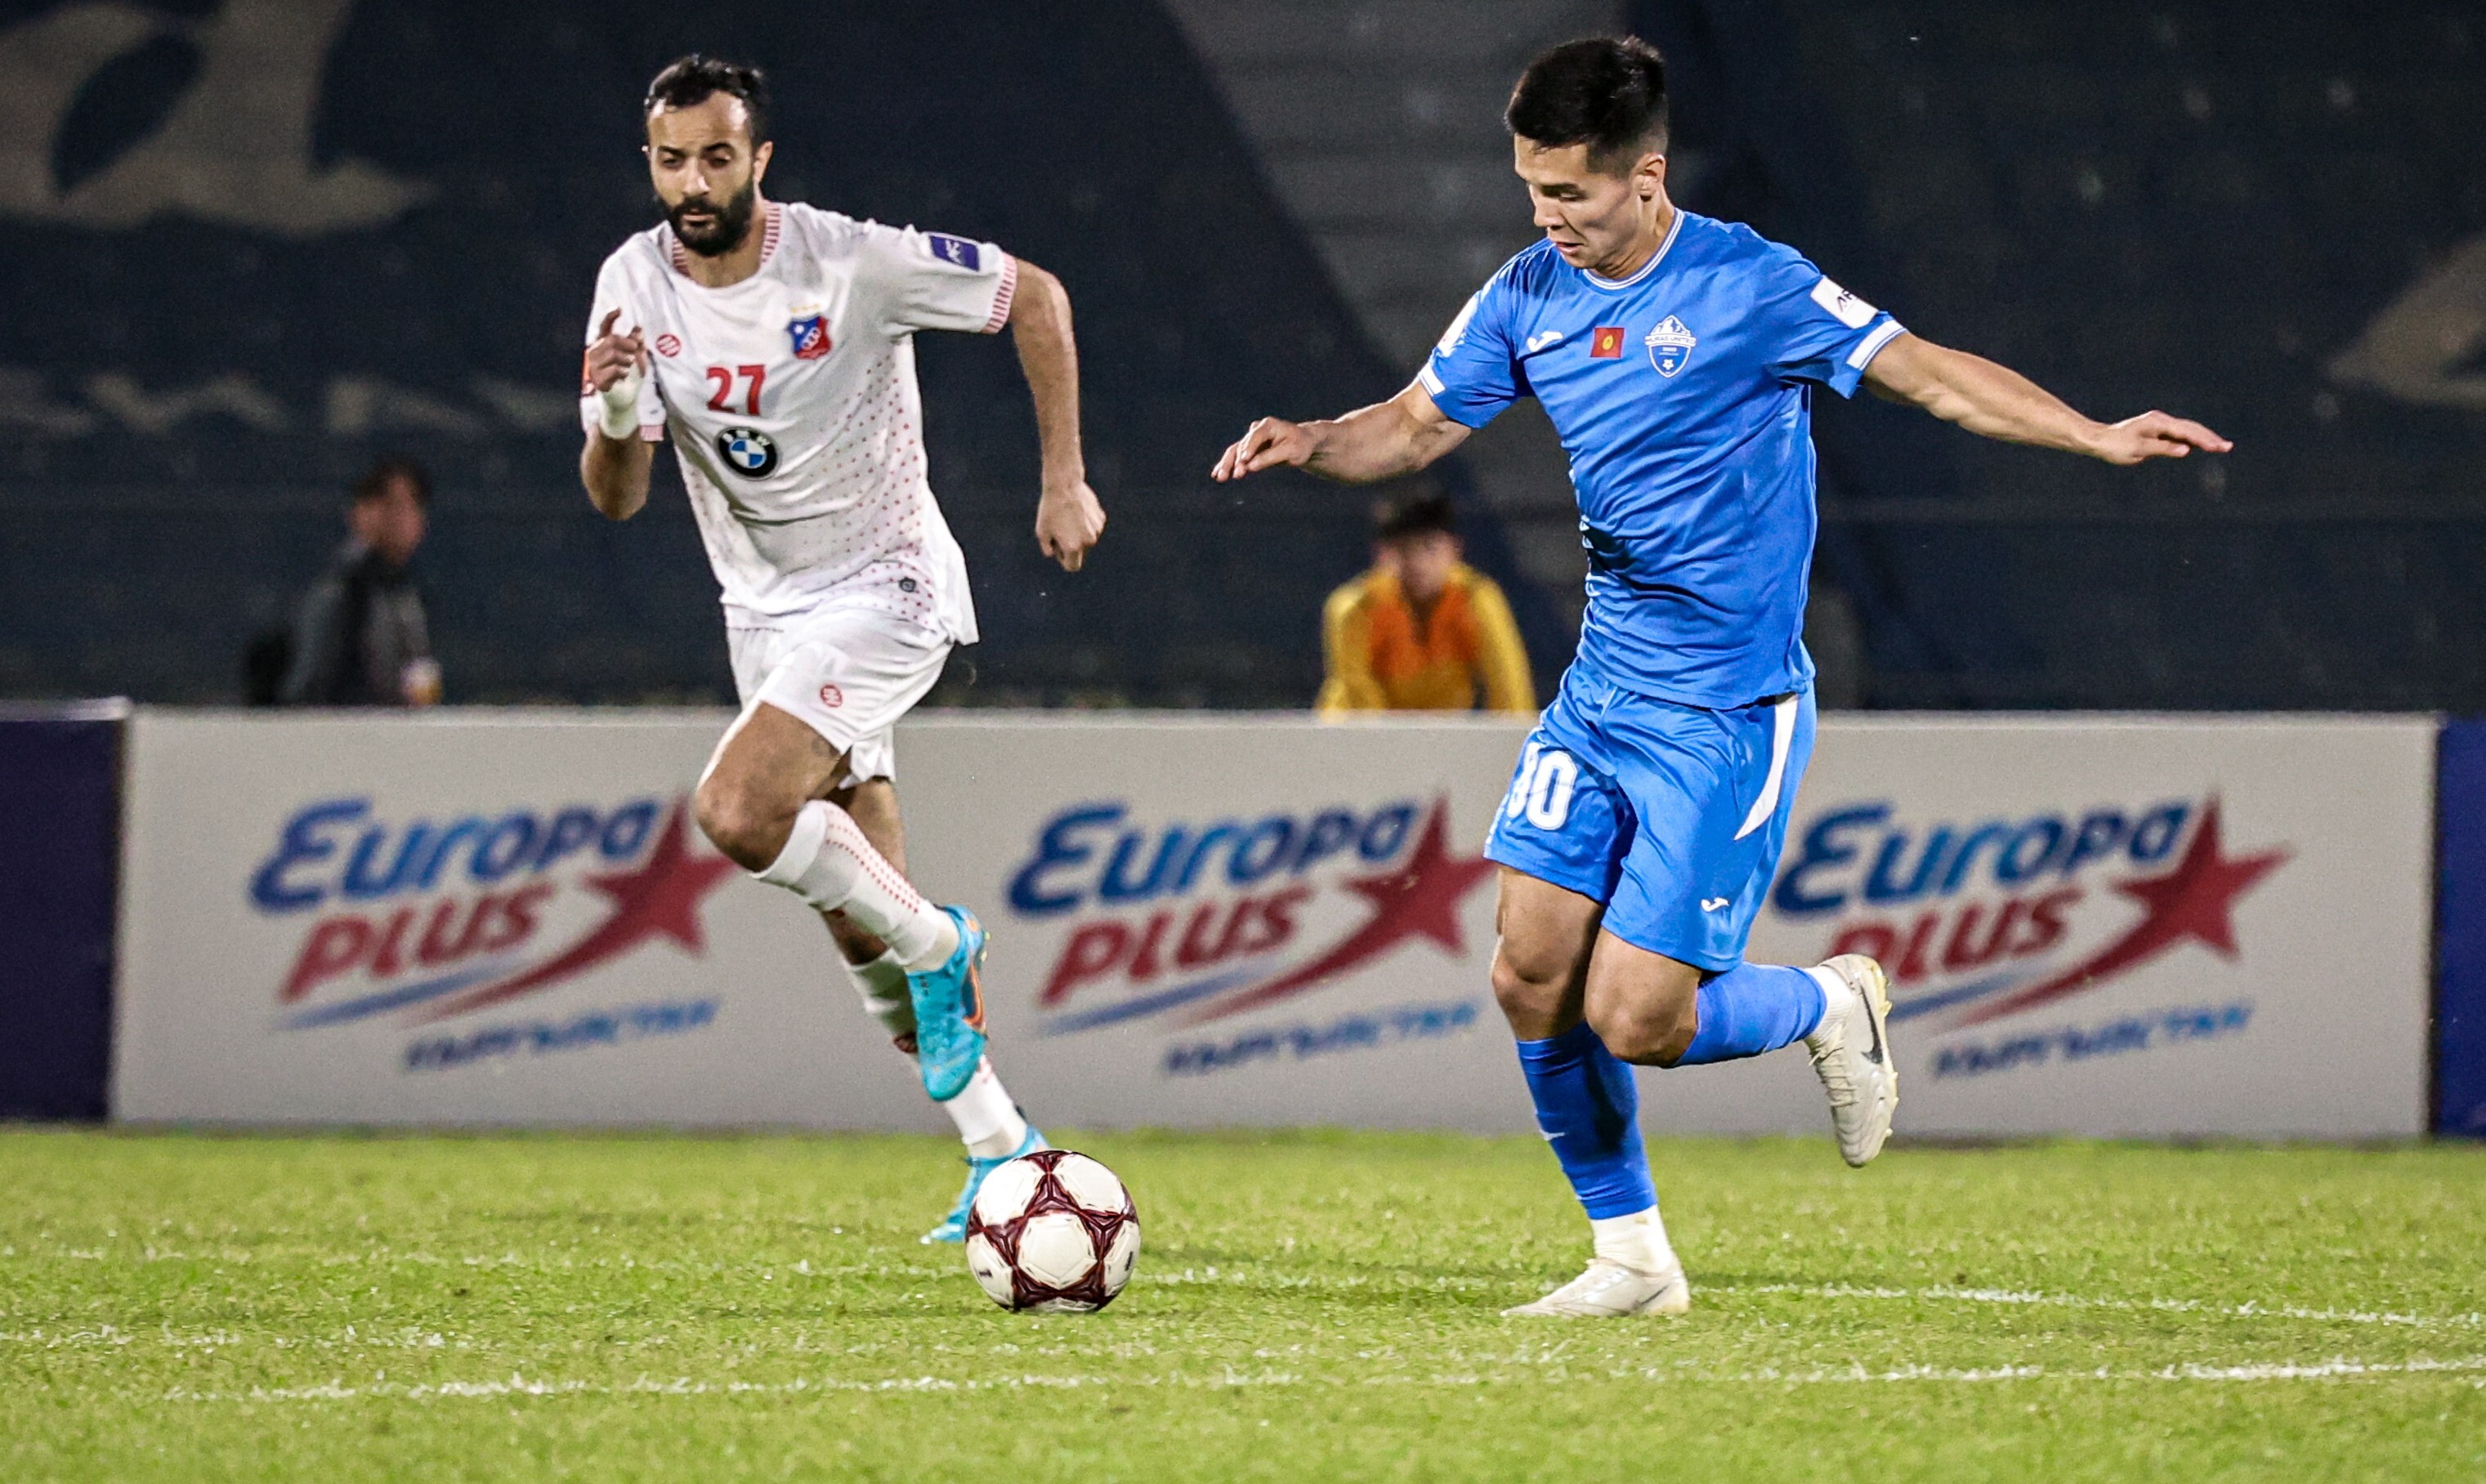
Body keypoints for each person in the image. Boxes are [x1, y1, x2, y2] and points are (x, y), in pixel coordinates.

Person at [1214, 36, 2228, 1317]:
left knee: (1638, 1018)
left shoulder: (1752, 285)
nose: (1546, 218)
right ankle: (1632, 1261)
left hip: (1726, 712)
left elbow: (1925, 374)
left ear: (1644, 176)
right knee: (1527, 971)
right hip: (1600, 699)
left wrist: (2089, 433)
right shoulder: (1525, 296)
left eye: (1569, 193)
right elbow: (1413, 424)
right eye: (1530, 189)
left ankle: (1825, 1002)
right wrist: (1312, 438)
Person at [577, 56, 1107, 1241]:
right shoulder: (630, 283)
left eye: (718, 157)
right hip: (763, 615)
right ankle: (1002, 1151)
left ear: (759, 159)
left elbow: (1037, 296)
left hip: (885, 586)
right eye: (672, 160)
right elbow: (617, 497)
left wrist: (1063, 478)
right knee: (861, 923)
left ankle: (943, 940)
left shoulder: (850, 261)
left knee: (737, 813)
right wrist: (613, 411)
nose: (694, 182)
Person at [1317, 493, 1535, 717]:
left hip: (1442, 729)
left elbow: (1509, 685)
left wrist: (1513, 737)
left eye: (1430, 547)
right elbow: (1359, 696)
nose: (1418, 563)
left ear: (1455, 549)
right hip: (1354, 730)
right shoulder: (1357, 608)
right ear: (1383, 554)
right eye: (1404, 549)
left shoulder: (1475, 598)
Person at [276, 456, 443, 707]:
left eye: (413, 506)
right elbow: (310, 684)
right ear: (362, 511)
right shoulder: (343, 589)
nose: (403, 519)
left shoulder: (404, 587)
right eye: (393, 505)